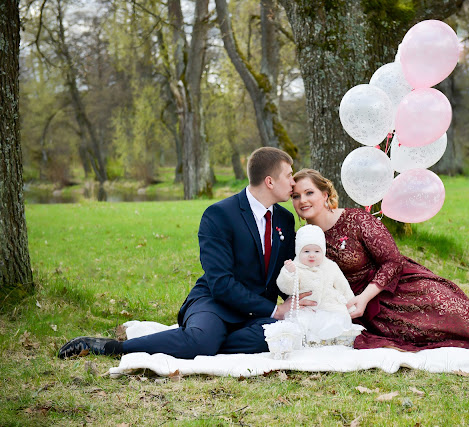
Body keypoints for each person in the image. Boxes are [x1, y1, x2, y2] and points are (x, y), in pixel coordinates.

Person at [58, 147, 316, 359]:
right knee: (201, 341)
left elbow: (282, 272)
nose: (293, 182)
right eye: (289, 176)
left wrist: (297, 302)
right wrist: (274, 310)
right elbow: (221, 284)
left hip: (255, 316)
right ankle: (111, 348)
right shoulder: (219, 215)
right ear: (270, 181)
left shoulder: (284, 219)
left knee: (282, 337)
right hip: (216, 303)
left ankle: (209, 341)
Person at [290, 168, 469, 352]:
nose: (303, 200)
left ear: (325, 194)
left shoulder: (357, 220)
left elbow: (392, 262)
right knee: (421, 333)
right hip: (358, 309)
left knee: (446, 308)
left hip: (394, 286)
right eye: (296, 196)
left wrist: (365, 297)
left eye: (309, 192)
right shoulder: (303, 238)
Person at [276, 224, 361, 343]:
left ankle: (330, 339)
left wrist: (351, 305)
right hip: (305, 309)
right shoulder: (295, 268)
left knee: (335, 321)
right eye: (306, 251)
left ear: (323, 251)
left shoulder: (331, 266)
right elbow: (286, 288)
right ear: (298, 252)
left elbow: (343, 286)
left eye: (317, 251)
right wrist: (289, 273)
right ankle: (308, 341)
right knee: (301, 323)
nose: (312, 255)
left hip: (329, 306)